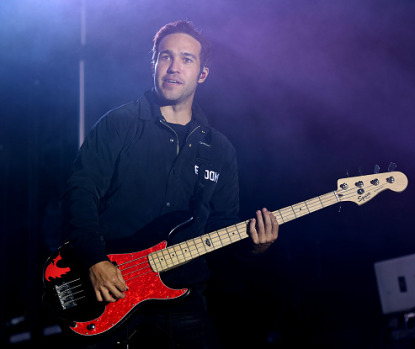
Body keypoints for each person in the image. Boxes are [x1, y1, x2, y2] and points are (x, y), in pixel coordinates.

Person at [61, 20, 279, 348]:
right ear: (153, 64)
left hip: (182, 300)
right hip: (110, 288)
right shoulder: (118, 124)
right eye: (166, 57)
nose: (174, 67)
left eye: (187, 59)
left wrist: (254, 246)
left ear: (202, 73)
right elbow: (80, 193)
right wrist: (94, 260)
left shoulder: (219, 150)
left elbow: (220, 227)